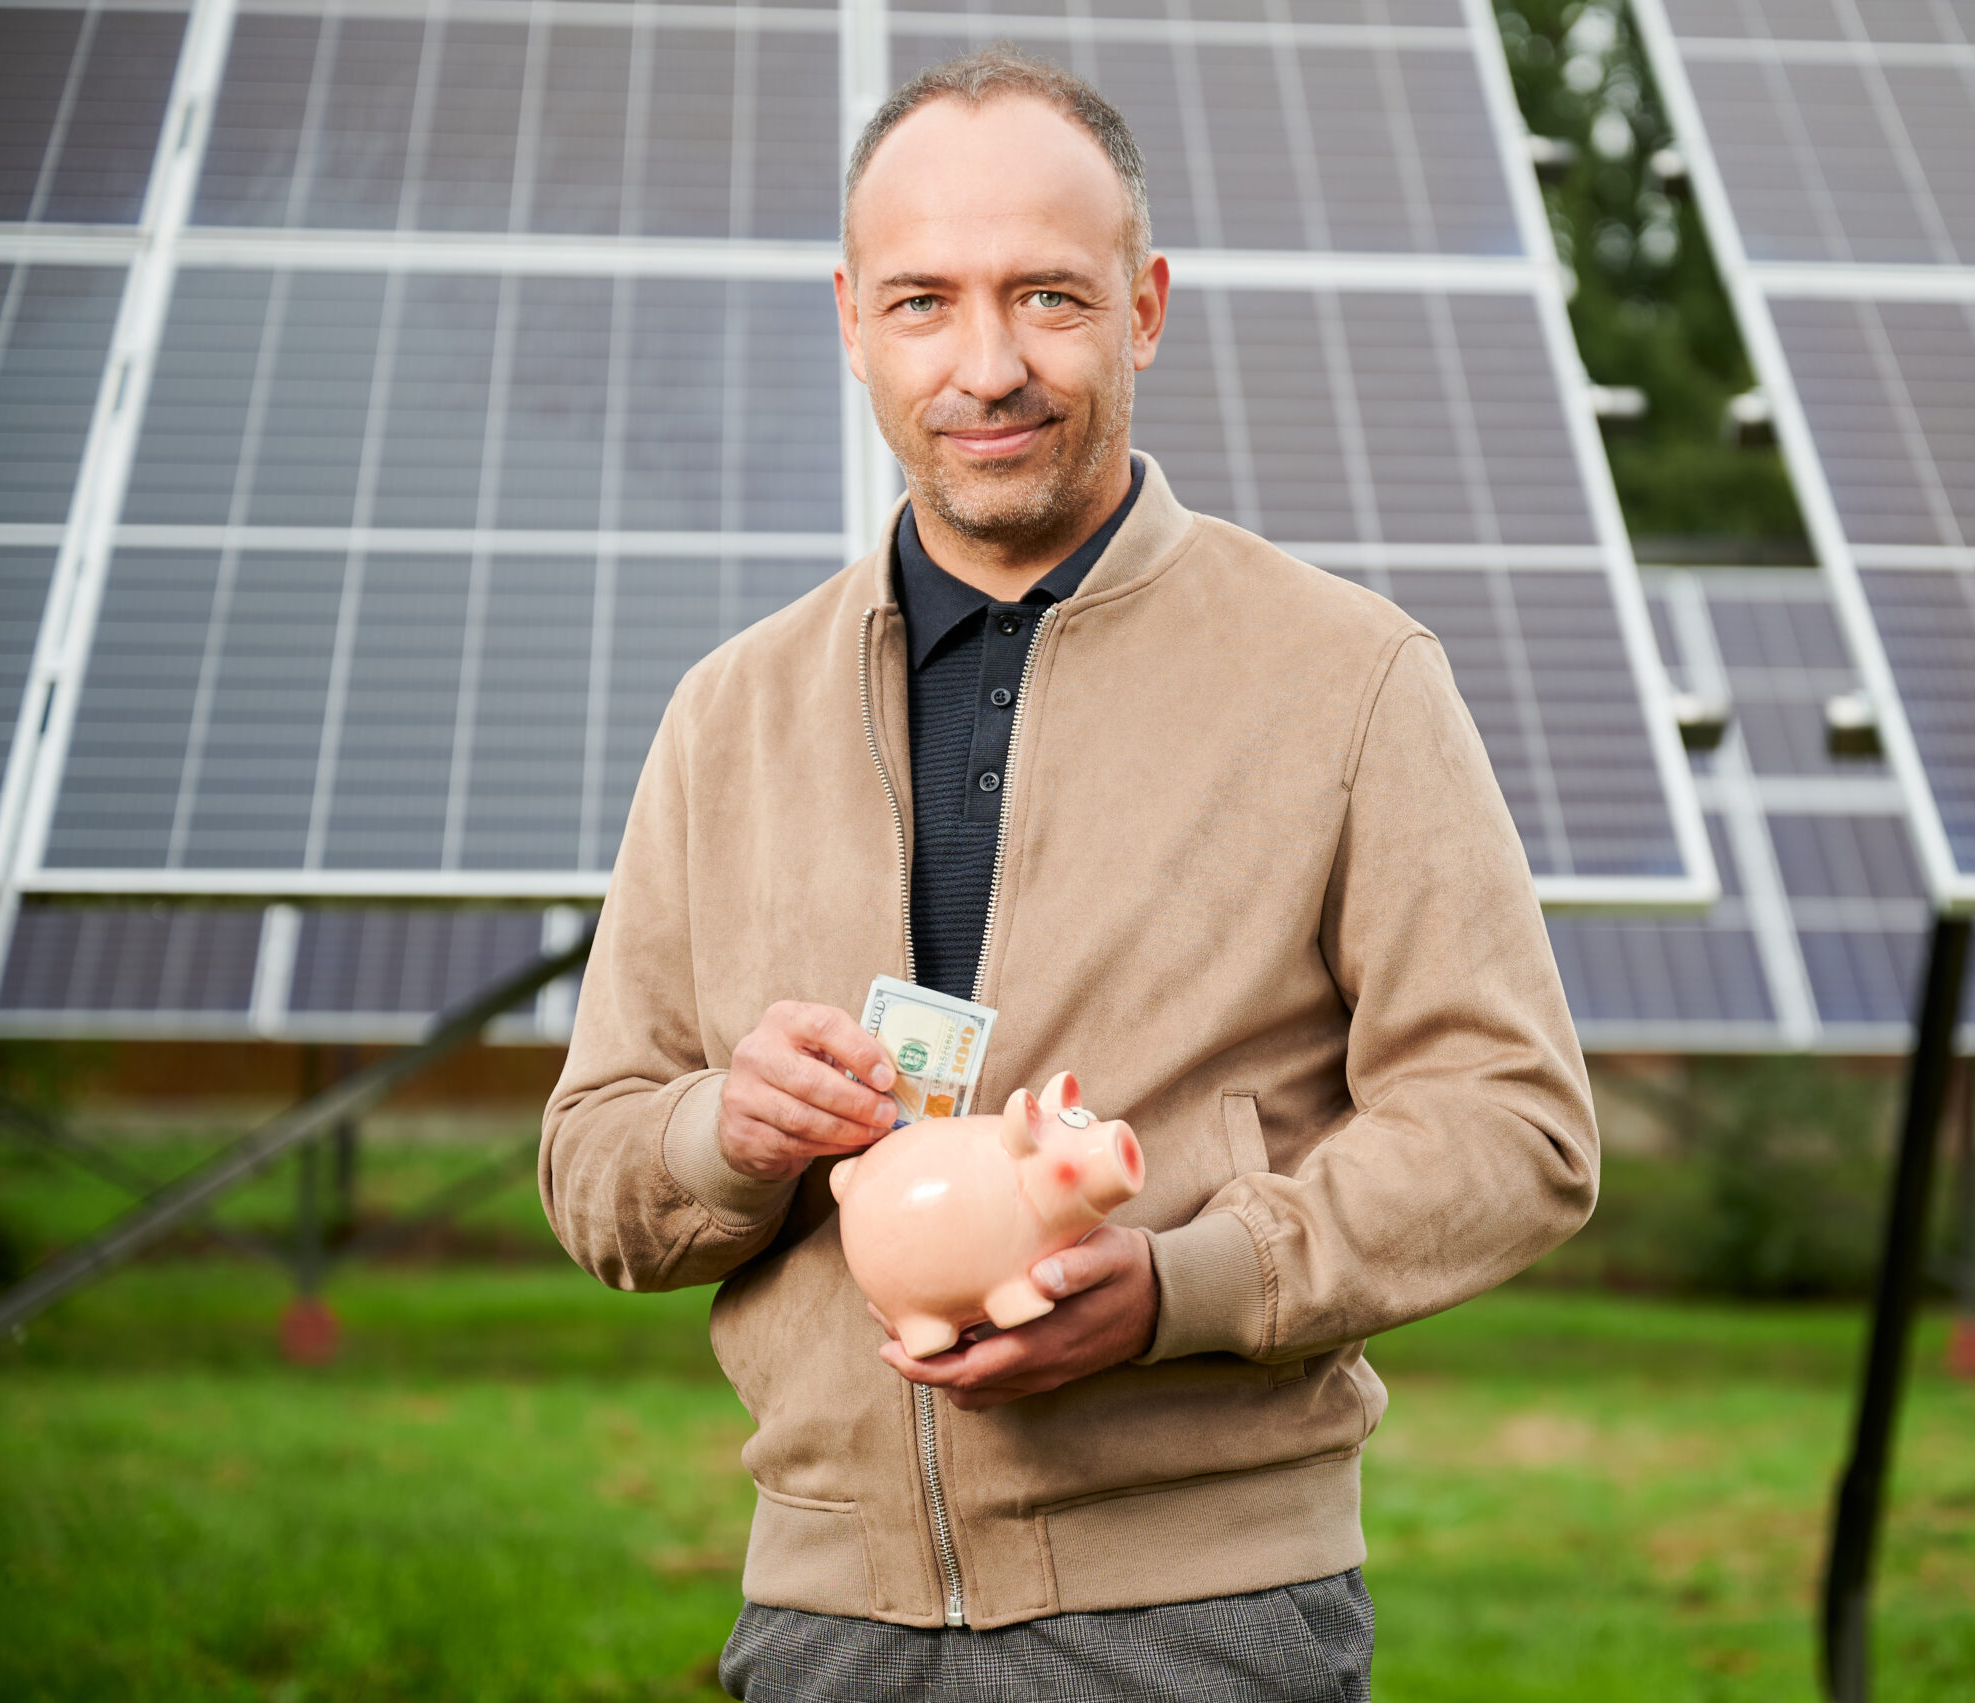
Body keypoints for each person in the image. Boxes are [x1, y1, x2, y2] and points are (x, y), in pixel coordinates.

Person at [540, 48, 1599, 1703]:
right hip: (823, 1626)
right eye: (922, 304)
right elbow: (595, 1165)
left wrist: (1183, 1286)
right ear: (849, 319)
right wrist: (721, 1133)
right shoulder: (728, 712)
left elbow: (1516, 1131)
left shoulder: (1351, 678)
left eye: (1047, 297)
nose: (986, 366)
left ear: (1145, 306)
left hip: (1201, 1625)